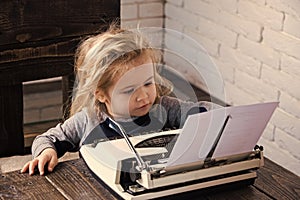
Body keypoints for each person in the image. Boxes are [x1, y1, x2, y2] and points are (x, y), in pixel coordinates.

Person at [21, 25, 220, 176]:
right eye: (129, 90)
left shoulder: (164, 107)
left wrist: (221, 119)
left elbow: (205, 112)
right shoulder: (87, 121)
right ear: (101, 94)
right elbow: (47, 139)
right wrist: (46, 152)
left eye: (148, 83)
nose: (144, 96)